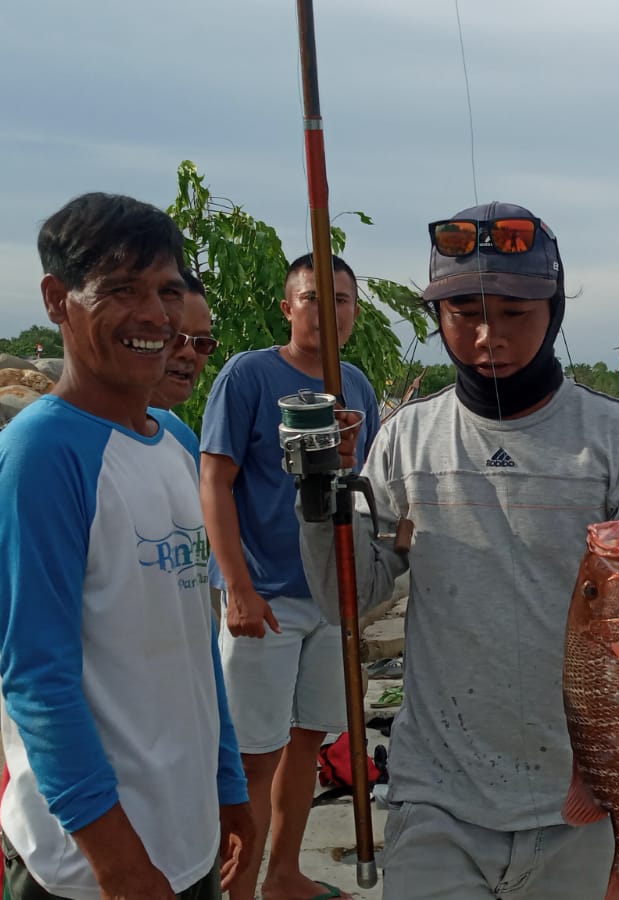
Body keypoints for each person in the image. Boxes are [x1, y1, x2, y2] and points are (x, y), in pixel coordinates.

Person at [299, 201, 619, 899]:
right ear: (440, 319)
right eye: (464, 313)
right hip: (435, 796)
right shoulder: (406, 440)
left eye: (516, 312)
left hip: (582, 794)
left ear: (553, 311)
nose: (489, 336)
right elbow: (352, 598)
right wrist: (316, 499)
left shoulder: (615, 438)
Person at [0, 192, 252, 900]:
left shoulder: (178, 443)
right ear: (57, 299)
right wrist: (119, 863)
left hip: (185, 840)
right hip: (89, 866)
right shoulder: (40, 456)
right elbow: (39, 680)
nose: (154, 317)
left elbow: (194, 641)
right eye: (120, 290)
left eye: (165, 290)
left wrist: (227, 783)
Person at [198, 252, 379, 900]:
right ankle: (236, 887)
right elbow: (214, 479)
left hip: (330, 598)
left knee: (308, 739)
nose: (328, 312)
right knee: (254, 753)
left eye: (341, 300)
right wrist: (238, 589)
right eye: (313, 298)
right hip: (266, 596)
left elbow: (358, 489)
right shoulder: (248, 375)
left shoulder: (356, 385)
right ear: (288, 306)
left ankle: (283, 873)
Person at [149, 269, 217, 411]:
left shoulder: (177, 432)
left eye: (202, 343)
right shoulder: (94, 430)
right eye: (174, 337)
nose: (189, 353)